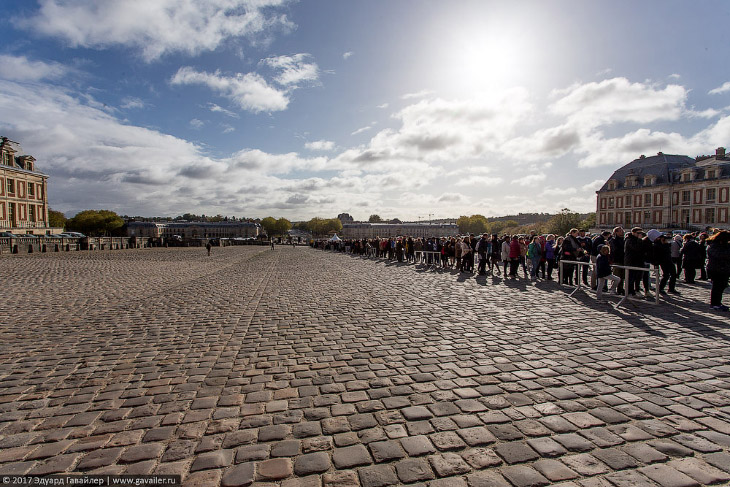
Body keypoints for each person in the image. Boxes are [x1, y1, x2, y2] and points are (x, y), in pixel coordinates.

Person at [706, 230, 730, 311]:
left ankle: (717, 302)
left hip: (722, 269)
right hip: (716, 269)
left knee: (722, 286)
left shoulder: (722, 246)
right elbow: (721, 255)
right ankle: (715, 304)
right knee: (717, 287)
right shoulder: (714, 246)